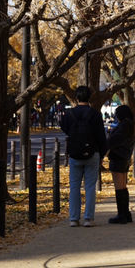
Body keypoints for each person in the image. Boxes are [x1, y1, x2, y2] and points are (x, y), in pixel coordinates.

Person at [60, 86, 107, 227]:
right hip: (92, 152)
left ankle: (73, 218)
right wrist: (102, 154)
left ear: (76, 97)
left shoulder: (69, 114)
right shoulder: (95, 114)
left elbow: (64, 128)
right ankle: (88, 218)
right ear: (89, 97)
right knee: (90, 186)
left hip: (74, 153)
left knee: (74, 186)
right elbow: (101, 136)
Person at [107, 105, 135, 224]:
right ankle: (125, 213)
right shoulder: (130, 124)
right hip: (124, 156)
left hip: (118, 156)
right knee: (123, 187)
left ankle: (122, 214)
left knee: (119, 187)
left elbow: (115, 139)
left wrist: (107, 145)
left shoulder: (124, 125)